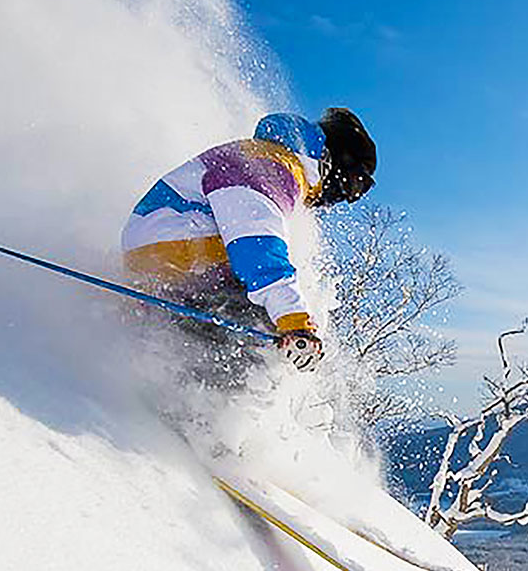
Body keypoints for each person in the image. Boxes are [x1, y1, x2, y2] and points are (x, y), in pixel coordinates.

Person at [119, 107, 376, 374]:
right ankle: (209, 403)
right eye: (355, 184)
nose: (344, 198)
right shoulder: (273, 165)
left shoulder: (267, 158)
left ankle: (165, 370)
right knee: (262, 335)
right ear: (335, 160)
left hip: (168, 258)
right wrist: (293, 318)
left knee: (233, 331)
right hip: (180, 251)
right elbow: (255, 240)